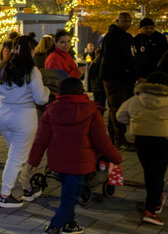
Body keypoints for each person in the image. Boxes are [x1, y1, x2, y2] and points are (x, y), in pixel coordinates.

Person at [28, 77, 122, 234]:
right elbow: (102, 142)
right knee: (70, 197)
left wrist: (34, 160)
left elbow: (41, 139)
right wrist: (116, 158)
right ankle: (55, 225)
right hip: (80, 163)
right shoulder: (92, 111)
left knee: (67, 193)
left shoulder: (51, 109)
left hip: (58, 162)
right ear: (82, 91)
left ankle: (69, 224)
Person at [116, 71, 168, 226]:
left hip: (141, 140)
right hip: (163, 142)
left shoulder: (135, 100)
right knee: (158, 173)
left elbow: (120, 115)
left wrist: (134, 124)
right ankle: (151, 210)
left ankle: (156, 199)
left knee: (149, 172)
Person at [0, 35, 50, 208]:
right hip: (23, 116)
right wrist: (46, 90)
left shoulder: (2, 68)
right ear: (30, 51)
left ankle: (28, 188)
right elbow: (40, 98)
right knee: (16, 157)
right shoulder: (31, 71)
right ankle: (4, 194)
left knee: (18, 155)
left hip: (3, 114)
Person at [101, 12, 136, 148]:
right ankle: (118, 139)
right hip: (116, 77)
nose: (127, 23)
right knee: (117, 108)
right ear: (118, 21)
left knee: (116, 107)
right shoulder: (115, 37)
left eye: (129, 21)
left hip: (118, 77)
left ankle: (116, 138)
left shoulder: (119, 36)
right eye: (124, 21)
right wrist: (127, 70)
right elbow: (115, 58)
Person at [134, 17, 168, 83]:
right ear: (141, 29)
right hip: (141, 72)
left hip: (157, 71)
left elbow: (164, 55)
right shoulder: (137, 39)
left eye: (151, 28)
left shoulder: (160, 38)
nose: (149, 30)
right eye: (146, 28)